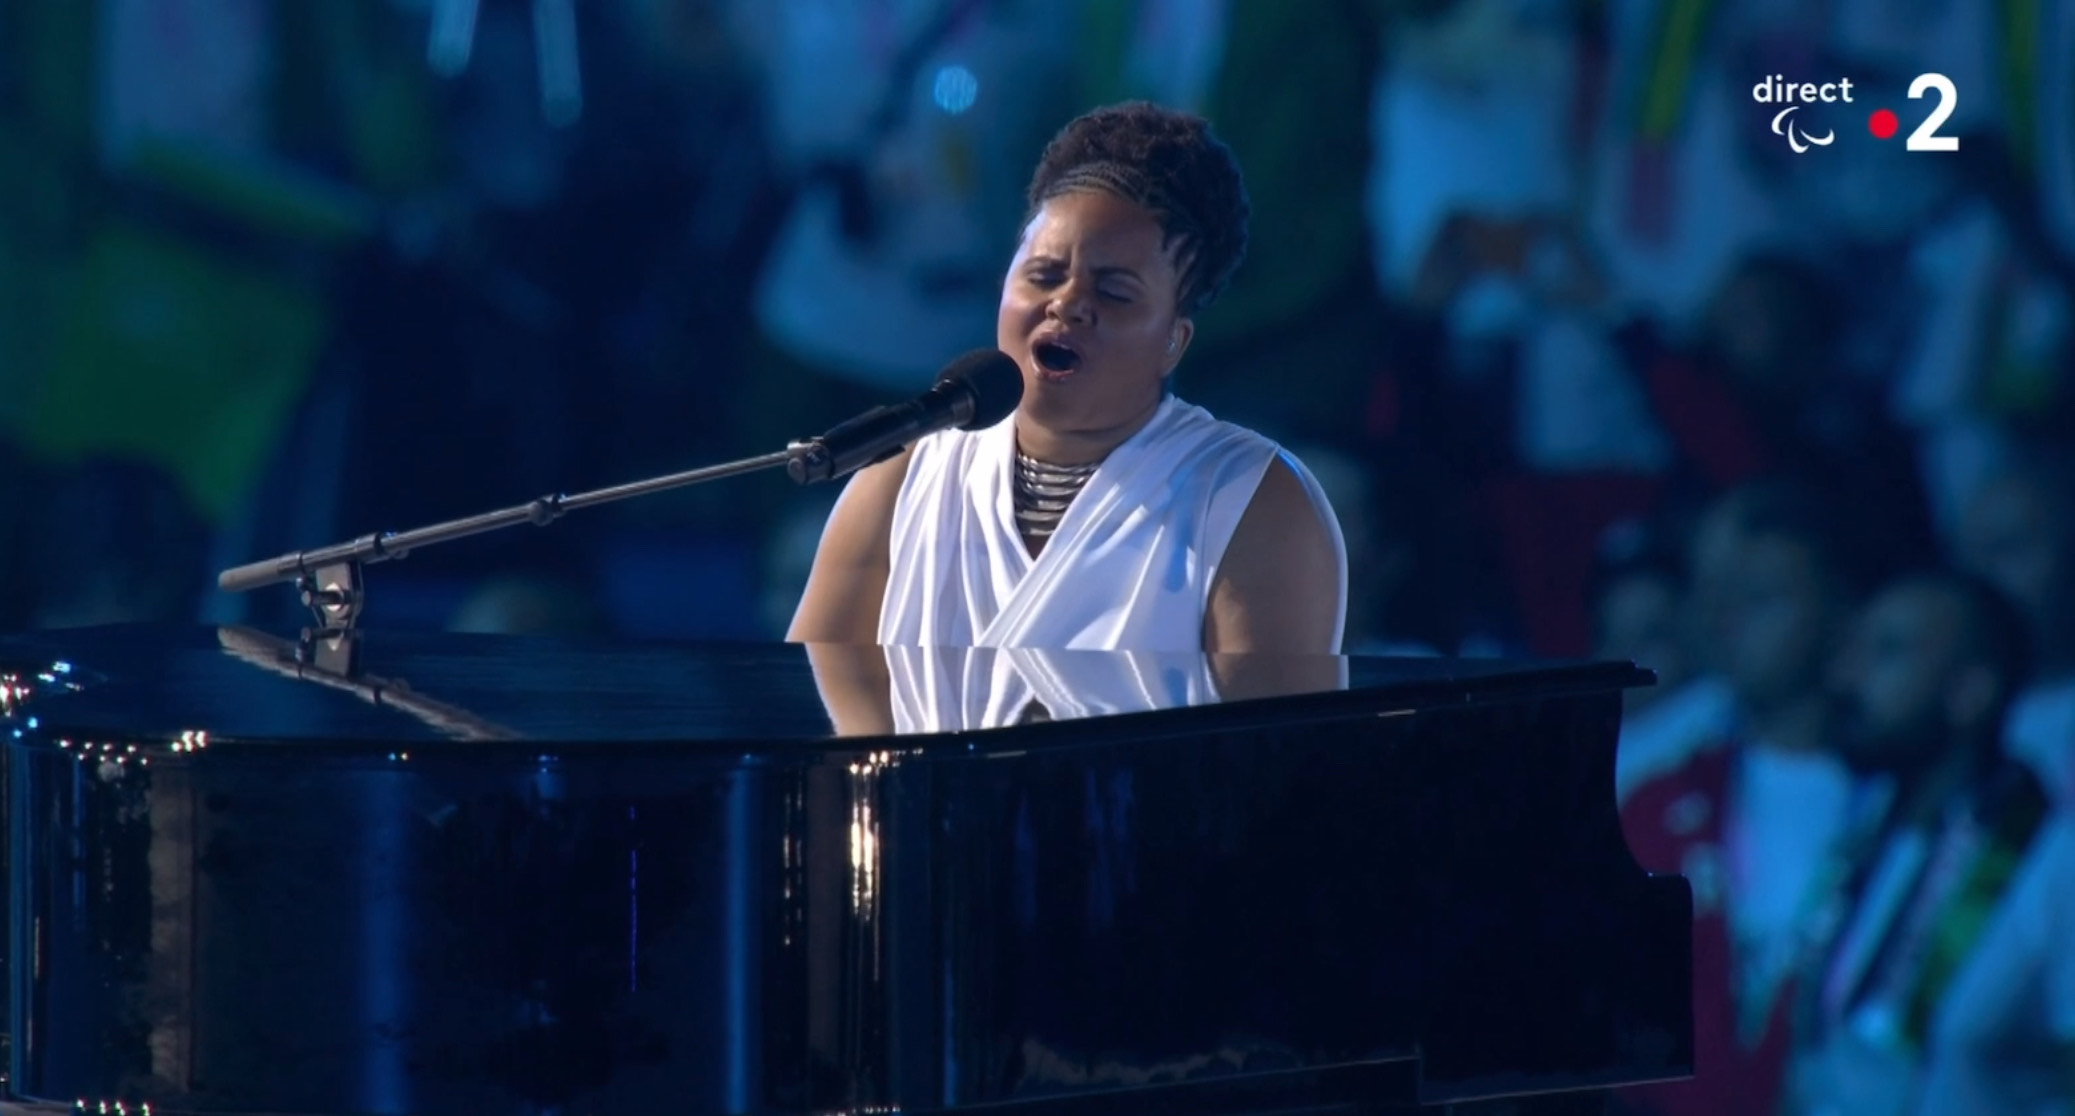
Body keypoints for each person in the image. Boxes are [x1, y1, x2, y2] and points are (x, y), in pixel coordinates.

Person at [788, 102, 1347, 653]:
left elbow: (1271, 741)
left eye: (1114, 292)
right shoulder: (898, 483)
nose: (1069, 304)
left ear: (1174, 341)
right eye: (1044, 275)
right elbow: (810, 711)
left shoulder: (1250, 501)